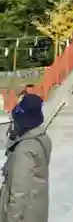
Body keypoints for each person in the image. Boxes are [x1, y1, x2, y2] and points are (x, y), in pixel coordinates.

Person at [0, 94, 52, 222]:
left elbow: (19, 193)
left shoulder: (24, 151)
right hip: (37, 208)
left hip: (24, 215)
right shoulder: (42, 138)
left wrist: (10, 218)